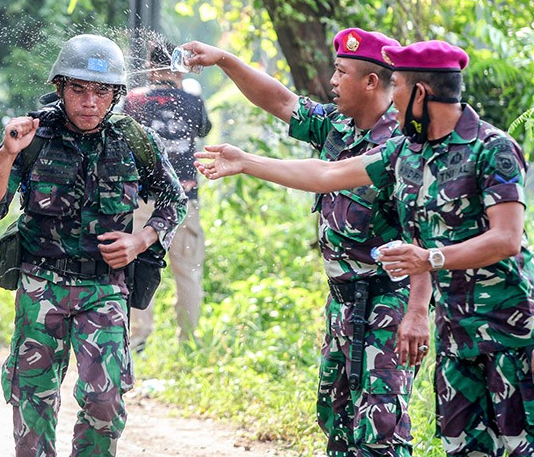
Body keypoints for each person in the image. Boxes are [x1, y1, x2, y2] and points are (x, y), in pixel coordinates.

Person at [194, 40, 534, 455]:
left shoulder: (492, 148)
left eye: (399, 89)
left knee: (516, 445)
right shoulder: (405, 151)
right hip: (453, 329)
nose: (393, 99)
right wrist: (247, 162)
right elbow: (325, 174)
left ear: (419, 94)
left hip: (509, 328)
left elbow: (507, 238)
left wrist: (428, 266)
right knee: (462, 446)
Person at [184, 29, 433, 456]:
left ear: (372, 82)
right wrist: (224, 59)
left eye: (341, 73)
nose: (332, 81)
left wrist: (417, 311)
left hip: (387, 299)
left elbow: (425, 234)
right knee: (336, 419)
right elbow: (281, 101)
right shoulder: (337, 124)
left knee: (381, 431)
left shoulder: (402, 144)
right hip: (341, 300)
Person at [0, 34, 187, 456]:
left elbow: (174, 199)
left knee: (104, 403)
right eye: (79, 90)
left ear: (117, 95)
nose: (90, 102)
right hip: (41, 285)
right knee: (33, 400)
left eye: (101, 92)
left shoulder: (134, 140)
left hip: (105, 288)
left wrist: (141, 239)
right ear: (60, 89)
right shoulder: (32, 138)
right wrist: (7, 155)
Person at [123, 43, 212, 349]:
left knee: (136, 262)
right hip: (184, 197)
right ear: (177, 67)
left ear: (150, 67)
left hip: (142, 199)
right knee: (187, 271)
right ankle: (188, 340)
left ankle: (138, 338)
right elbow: (203, 129)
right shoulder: (192, 100)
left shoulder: (133, 101)